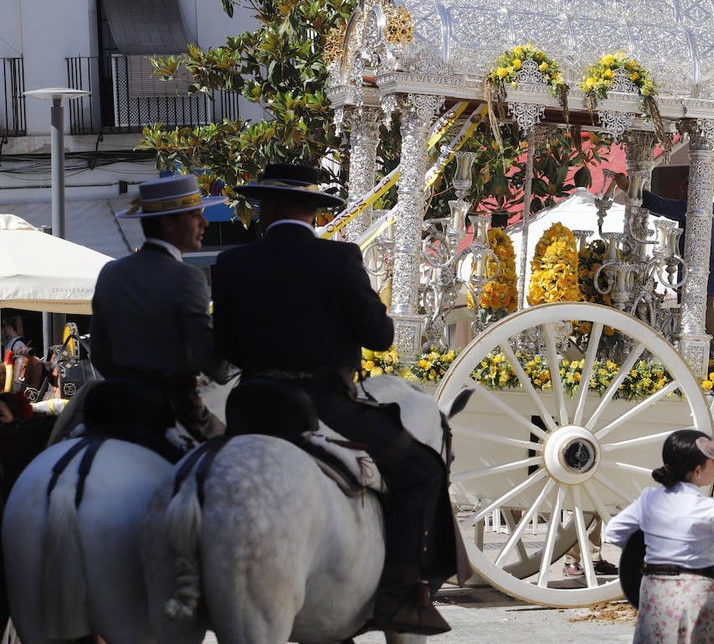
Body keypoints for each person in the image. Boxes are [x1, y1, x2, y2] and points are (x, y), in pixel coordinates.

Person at [211, 163, 455, 637]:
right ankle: (405, 593)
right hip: (324, 402)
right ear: (313, 213)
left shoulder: (232, 263)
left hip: (250, 403)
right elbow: (380, 337)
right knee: (422, 469)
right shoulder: (339, 259)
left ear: (268, 207)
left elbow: (226, 348)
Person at [89, 174, 228, 441]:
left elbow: (100, 353)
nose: (205, 222)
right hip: (175, 408)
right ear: (168, 223)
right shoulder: (187, 276)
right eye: (195, 215)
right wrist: (225, 364)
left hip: (118, 406)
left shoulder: (110, 272)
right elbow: (210, 361)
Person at [605, 428, 714, 644]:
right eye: (712, 461)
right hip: (696, 591)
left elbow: (613, 531)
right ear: (697, 471)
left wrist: (649, 547)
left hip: (654, 589)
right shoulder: (708, 509)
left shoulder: (649, 499)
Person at [612, 172, 714, 356]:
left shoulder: (703, 209)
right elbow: (662, 207)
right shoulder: (698, 211)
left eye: (690, 189)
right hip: (711, 287)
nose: (685, 193)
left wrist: (630, 187)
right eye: (684, 189)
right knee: (707, 345)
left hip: (713, 288)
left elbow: (662, 205)